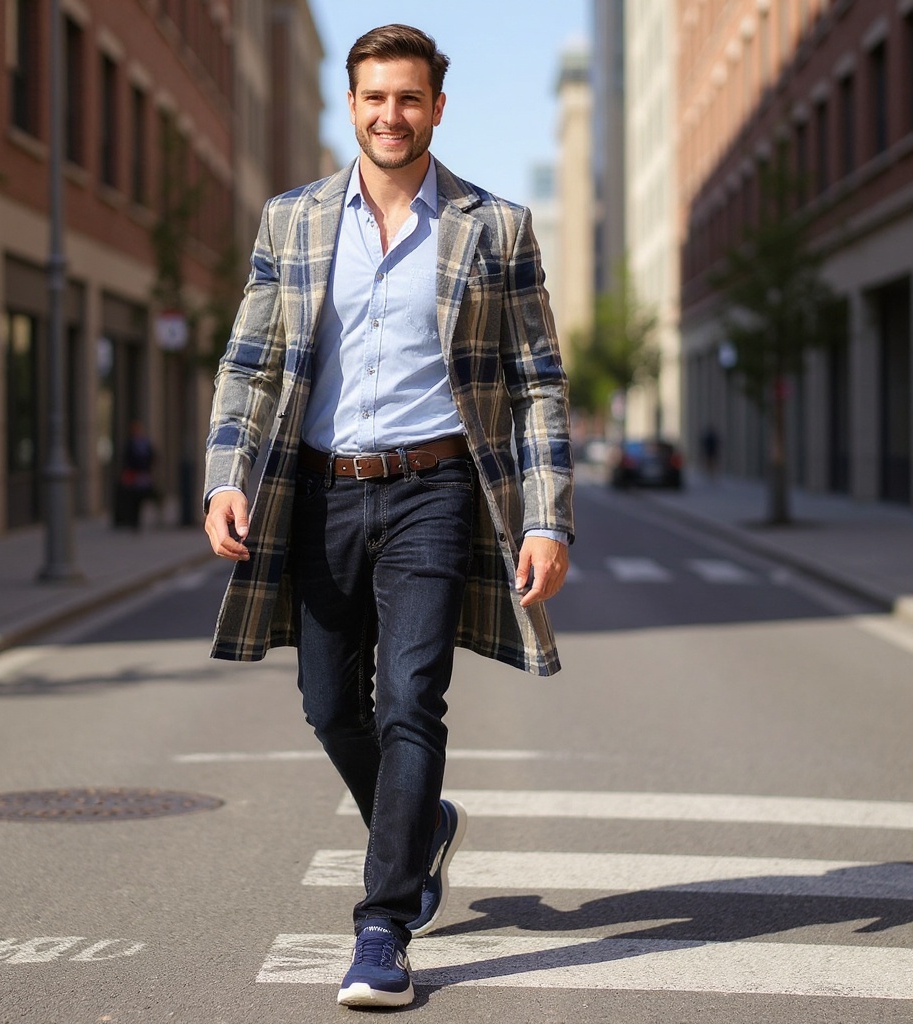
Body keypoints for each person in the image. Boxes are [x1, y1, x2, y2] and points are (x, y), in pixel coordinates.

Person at [203, 24, 574, 1008]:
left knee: (412, 698)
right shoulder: (291, 220)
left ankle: (383, 924)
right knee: (330, 703)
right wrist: (223, 477)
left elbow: (537, 379)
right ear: (351, 103)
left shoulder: (492, 226)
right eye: (374, 98)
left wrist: (547, 517)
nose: (390, 115)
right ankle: (421, 823)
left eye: (409, 98)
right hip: (318, 488)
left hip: (436, 491)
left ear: (436, 107)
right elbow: (247, 360)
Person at [115, 420, 156, 530]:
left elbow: (152, 456)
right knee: (133, 498)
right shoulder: (130, 443)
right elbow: (126, 458)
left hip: (143, 475)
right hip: (134, 474)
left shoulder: (145, 443)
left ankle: (138, 520)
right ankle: (133, 521)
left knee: (141, 497)